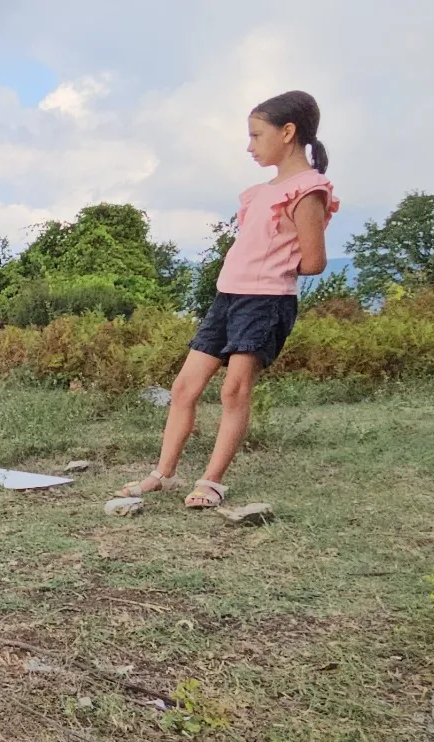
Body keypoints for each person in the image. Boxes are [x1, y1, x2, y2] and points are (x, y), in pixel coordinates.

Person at [118, 90, 338, 509]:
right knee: (184, 387)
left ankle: (211, 482)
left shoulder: (308, 190)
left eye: (256, 136)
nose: (250, 146)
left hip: (265, 301)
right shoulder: (257, 192)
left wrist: (270, 265)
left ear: (287, 132)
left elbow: (314, 262)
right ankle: (161, 475)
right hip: (227, 297)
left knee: (234, 391)